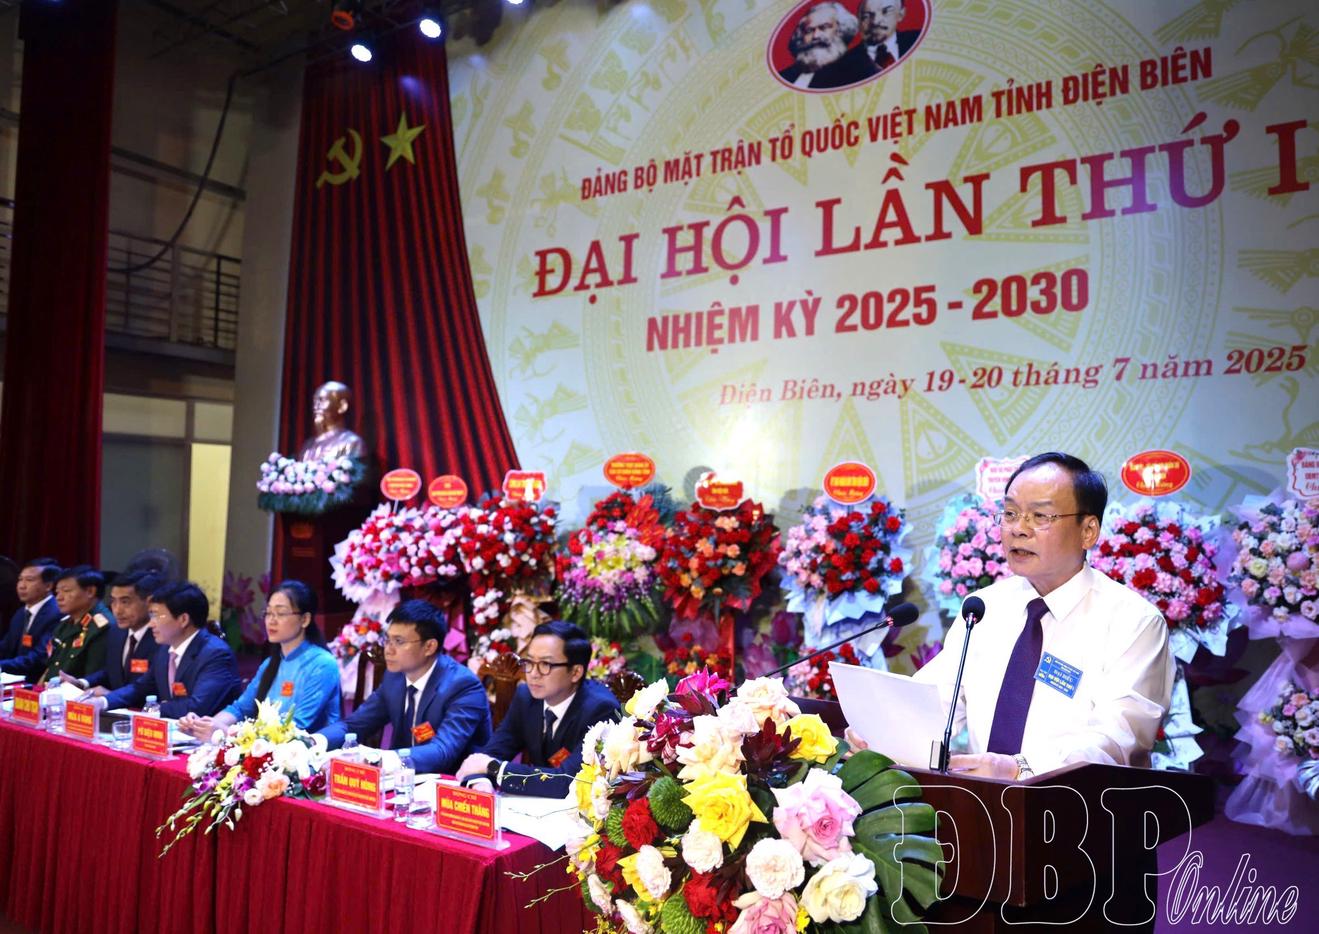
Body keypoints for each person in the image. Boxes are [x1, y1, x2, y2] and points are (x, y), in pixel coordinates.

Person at [858, 453, 1174, 780]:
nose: (1018, 529)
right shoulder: (983, 607)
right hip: (979, 800)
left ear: (1088, 531)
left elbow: (1119, 740)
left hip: (1078, 804)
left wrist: (1019, 769)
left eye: (1040, 516)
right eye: (1010, 513)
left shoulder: (1134, 623)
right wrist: (880, 731)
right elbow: (935, 701)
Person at [317, 600, 490, 773]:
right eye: (387, 639)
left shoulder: (463, 686)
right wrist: (314, 742)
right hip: (401, 778)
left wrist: (377, 759)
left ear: (429, 646)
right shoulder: (395, 677)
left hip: (453, 783)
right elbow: (353, 725)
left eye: (399, 641)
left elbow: (442, 751)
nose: (388, 649)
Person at [455, 620, 620, 797]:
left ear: (575, 672)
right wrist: (482, 781)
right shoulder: (525, 697)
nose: (533, 674)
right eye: (529, 662)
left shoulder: (601, 710)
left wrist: (494, 768)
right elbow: (491, 754)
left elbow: (568, 781)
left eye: (545, 664)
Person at [179, 580, 341, 738]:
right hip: (263, 746)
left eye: (281, 613)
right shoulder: (270, 663)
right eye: (268, 613)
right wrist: (205, 725)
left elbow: (295, 726)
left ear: (305, 619)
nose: (271, 620)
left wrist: (228, 733)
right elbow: (241, 709)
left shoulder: (322, 664)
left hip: (305, 751)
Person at [89, 581, 242, 718]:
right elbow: (140, 688)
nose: (151, 624)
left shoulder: (215, 654)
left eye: (157, 616)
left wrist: (153, 709)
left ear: (183, 619)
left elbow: (197, 707)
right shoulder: (165, 649)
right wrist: (102, 702)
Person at [85, 570, 162, 691]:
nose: (117, 610)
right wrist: (82, 682)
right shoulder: (116, 631)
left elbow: (152, 686)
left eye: (125, 602)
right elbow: (112, 671)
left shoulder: (162, 636)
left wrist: (110, 697)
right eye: (113, 601)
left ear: (149, 602)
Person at [39, 565, 116, 684]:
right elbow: (50, 667)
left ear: (90, 591)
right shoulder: (65, 623)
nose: (58, 597)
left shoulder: (102, 627)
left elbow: (94, 679)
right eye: (57, 592)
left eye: (66, 591)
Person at [0, 557, 62, 681]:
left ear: (48, 586)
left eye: (29, 580)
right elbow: (6, 646)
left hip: (39, 680)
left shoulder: (57, 613)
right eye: (20, 579)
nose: (22, 586)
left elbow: (39, 658)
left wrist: (1, 665)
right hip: (15, 677)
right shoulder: (20, 613)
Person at [778, 2, 861, 90]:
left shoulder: (855, 70)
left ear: (841, 30)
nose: (816, 36)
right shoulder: (785, 76)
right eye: (809, 30)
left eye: (824, 27)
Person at [834, 0, 922, 80]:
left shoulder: (920, 40)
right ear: (859, 20)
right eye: (866, 16)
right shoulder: (841, 65)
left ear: (901, 14)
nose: (875, 21)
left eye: (886, 12)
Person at [297, 380, 365, 461]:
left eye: (322, 400)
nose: (316, 406)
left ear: (342, 406)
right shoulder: (308, 446)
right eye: (315, 402)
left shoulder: (352, 442)